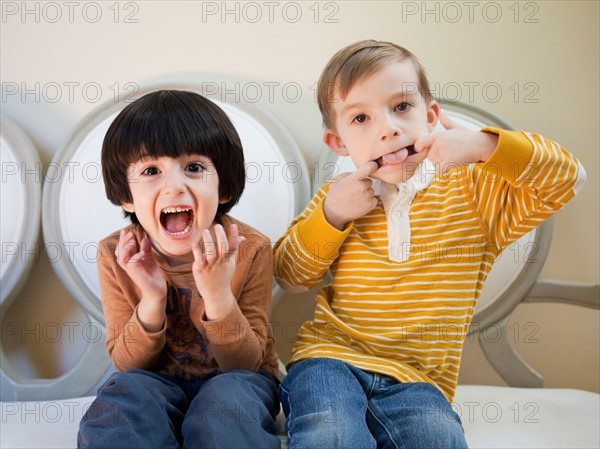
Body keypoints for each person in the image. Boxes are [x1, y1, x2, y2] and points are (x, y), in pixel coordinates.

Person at [273, 40, 586, 449]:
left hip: (420, 380)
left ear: (432, 116)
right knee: (330, 435)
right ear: (339, 144)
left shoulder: (476, 191)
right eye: (361, 118)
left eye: (402, 107)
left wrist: (484, 145)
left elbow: (569, 178)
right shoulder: (339, 195)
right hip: (328, 359)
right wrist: (332, 216)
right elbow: (291, 276)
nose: (388, 128)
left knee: (438, 439)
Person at [78, 90, 281, 449]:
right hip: (154, 384)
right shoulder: (117, 254)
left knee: (224, 409)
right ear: (126, 195)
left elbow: (247, 365)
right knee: (122, 402)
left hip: (236, 382)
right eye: (151, 170)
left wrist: (217, 294)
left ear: (223, 187)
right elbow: (128, 365)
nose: (173, 186)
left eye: (194, 167)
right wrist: (152, 299)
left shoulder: (250, 249)